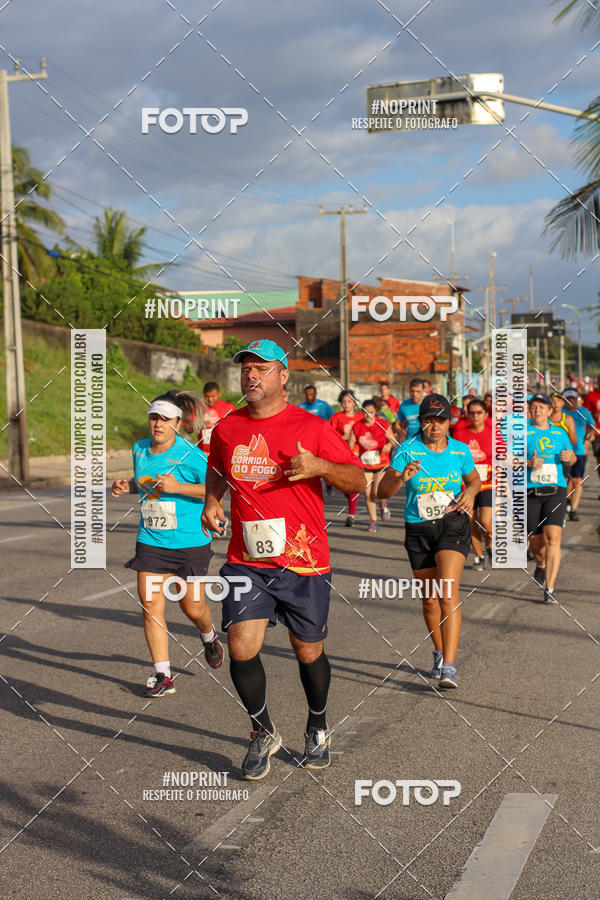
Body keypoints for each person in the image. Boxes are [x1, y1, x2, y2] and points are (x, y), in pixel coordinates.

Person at [201, 339, 365, 779]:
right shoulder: (228, 428)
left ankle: (317, 726)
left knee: (308, 650)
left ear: (283, 375)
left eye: (261, 368)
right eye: (246, 369)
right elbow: (217, 469)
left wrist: (321, 468)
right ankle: (262, 731)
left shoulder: (311, 427)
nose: (251, 375)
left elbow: (358, 480)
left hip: (303, 561)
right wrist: (212, 501)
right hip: (247, 560)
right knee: (240, 646)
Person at [111, 392, 224, 697]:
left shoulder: (191, 455)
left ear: (178, 423)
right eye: (154, 418)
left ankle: (209, 636)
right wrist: (126, 485)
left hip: (190, 542)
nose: (158, 424)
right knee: (150, 606)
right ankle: (163, 676)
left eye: (165, 419)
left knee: (193, 607)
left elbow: (216, 486)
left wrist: (178, 487)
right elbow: (148, 483)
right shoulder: (139, 449)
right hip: (151, 540)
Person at [378, 394, 480, 689]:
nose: (435, 427)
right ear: (420, 422)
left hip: (452, 525)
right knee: (430, 599)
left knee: (447, 593)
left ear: (449, 423)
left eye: (441, 421)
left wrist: (470, 492)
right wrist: (401, 478)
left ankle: (449, 665)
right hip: (418, 527)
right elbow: (382, 491)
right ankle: (439, 652)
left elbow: (474, 480)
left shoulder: (460, 450)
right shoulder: (406, 450)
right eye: (429, 421)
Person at [526, 394, 576, 604]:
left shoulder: (559, 432)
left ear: (549, 411)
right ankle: (541, 563)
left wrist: (569, 458)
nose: (537, 411)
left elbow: (572, 457)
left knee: (553, 539)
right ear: (529, 410)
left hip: (556, 490)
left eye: (541, 407)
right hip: (530, 492)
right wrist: (527, 463)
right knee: (536, 543)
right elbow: (506, 459)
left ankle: (550, 587)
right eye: (534, 407)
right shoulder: (521, 432)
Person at [454, 398, 497, 570]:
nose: (475, 416)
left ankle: (491, 545)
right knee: (471, 521)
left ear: (486, 414)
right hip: (467, 486)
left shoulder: (493, 433)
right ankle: (479, 556)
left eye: (479, 412)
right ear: (467, 414)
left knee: (485, 521)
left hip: (488, 483)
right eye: (472, 413)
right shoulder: (460, 434)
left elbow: (502, 456)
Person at [349, 399, 393, 533]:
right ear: (362, 412)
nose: (368, 415)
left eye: (371, 412)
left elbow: (392, 440)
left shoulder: (383, 424)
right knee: (368, 495)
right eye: (366, 412)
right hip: (365, 464)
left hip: (381, 462)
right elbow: (351, 444)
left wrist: (388, 445)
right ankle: (373, 521)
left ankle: (383, 504)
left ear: (376, 412)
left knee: (376, 492)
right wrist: (351, 454)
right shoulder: (357, 427)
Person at [329, 390, 363, 526]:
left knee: (353, 486)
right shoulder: (336, 417)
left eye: (349, 401)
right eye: (343, 402)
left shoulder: (361, 417)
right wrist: (345, 437)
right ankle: (330, 485)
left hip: (357, 455)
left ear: (354, 403)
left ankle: (351, 515)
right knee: (343, 485)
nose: (346, 404)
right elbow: (330, 437)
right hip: (341, 455)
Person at [563, 389, 595, 521]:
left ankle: (573, 510)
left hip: (579, 451)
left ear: (577, 399)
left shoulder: (583, 412)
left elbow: (592, 426)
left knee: (577, 480)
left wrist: (591, 434)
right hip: (563, 452)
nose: (570, 401)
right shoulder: (559, 413)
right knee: (565, 480)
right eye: (568, 398)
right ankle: (567, 500)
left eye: (573, 398)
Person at [201, 382, 236, 455]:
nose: (210, 399)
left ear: (219, 394)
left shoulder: (229, 408)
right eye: (207, 396)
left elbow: (235, 429)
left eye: (213, 396)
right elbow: (189, 428)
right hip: (203, 452)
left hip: (221, 451)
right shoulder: (199, 408)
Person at [394, 378, 425, 442]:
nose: (414, 394)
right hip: (410, 441)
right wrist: (401, 434)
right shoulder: (405, 405)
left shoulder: (429, 404)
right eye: (412, 391)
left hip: (426, 442)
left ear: (423, 391)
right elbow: (397, 425)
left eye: (418, 391)